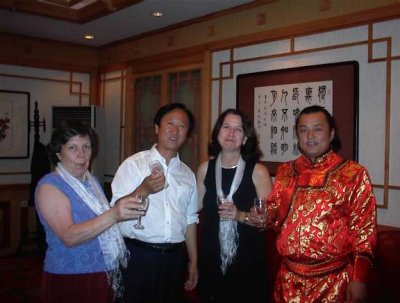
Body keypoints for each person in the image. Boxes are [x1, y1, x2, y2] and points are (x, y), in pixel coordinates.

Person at [252, 105, 377, 303]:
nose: (310, 135)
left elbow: (364, 231)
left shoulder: (353, 174)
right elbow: (276, 213)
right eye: (303, 130)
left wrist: (359, 278)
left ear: (332, 133)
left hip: (333, 281)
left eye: (317, 129)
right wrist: (267, 215)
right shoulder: (286, 171)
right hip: (288, 281)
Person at [35, 121, 144, 303]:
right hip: (71, 277)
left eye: (86, 146)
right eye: (72, 148)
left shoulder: (91, 181)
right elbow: (69, 236)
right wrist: (115, 214)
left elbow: (102, 223)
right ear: (58, 154)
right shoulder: (50, 186)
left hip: (104, 272)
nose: (82, 154)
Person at [110, 102, 198, 303]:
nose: (175, 130)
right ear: (157, 128)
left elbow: (190, 220)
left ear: (188, 134)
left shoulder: (187, 174)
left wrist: (193, 261)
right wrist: (143, 190)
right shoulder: (133, 165)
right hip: (138, 255)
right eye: (170, 123)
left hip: (175, 258)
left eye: (182, 126)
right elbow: (115, 210)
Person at [196, 108, 273, 303]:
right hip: (211, 258)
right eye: (226, 127)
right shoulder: (205, 169)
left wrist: (239, 215)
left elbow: (268, 221)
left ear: (245, 138)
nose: (231, 133)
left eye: (238, 129)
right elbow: (193, 209)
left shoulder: (258, 171)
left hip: (247, 260)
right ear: (217, 133)